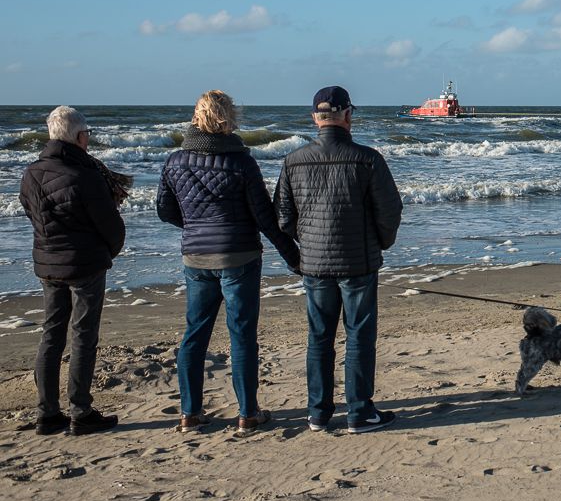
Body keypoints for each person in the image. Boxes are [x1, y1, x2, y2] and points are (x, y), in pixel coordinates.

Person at [157, 90, 300, 434]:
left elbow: (165, 210)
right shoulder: (241, 162)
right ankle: (247, 414)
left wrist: (194, 225)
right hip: (239, 256)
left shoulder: (175, 162)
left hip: (196, 258)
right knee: (242, 335)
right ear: (228, 118)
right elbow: (265, 218)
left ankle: (190, 413)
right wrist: (295, 257)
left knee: (195, 333)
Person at [275, 86, 403, 433]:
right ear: (348, 115)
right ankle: (359, 412)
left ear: (315, 118)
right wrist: (382, 243)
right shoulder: (368, 158)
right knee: (358, 335)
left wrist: (309, 242)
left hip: (314, 263)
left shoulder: (293, 160)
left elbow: (284, 218)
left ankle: (318, 412)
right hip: (358, 261)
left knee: (320, 336)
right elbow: (390, 211)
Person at [19, 106, 125, 436]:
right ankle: (80, 410)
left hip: (48, 263)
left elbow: (29, 211)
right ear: (79, 137)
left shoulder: (31, 172)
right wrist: (108, 250)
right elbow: (110, 224)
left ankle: (48, 413)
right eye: (88, 134)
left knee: (51, 335)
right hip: (84, 264)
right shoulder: (84, 174)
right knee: (83, 337)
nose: (89, 139)